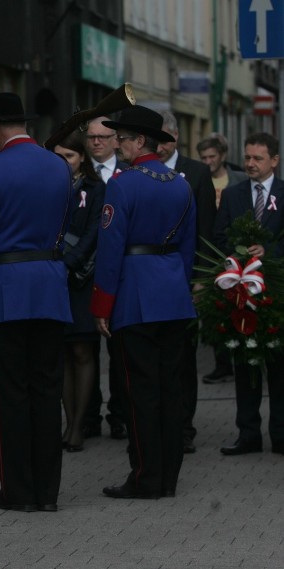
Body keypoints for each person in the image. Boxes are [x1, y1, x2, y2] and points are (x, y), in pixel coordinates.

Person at [0, 92, 72, 512]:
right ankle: (48, 494)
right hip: (49, 285)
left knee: (9, 395)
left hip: (5, 290)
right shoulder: (59, 166)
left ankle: (18, 491)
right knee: (46, 392)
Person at [91, 106, 196, 499]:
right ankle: (168, 476)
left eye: (122, 138)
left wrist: (102, 305)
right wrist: (179, 289)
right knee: (171, 390)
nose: (117, 144)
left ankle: (145, 477)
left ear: (139, 142)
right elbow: (188, 249)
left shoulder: (123, 183)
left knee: (140, 392)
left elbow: (110, 247)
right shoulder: (180, 183)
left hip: (134, 294)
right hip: (172, 294)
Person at [213, 132, 284, 457]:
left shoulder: (283, 194)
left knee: (279, 367)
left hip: (276, 293)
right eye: (248, 157)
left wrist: (267, 251)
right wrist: (238, 253)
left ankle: (280, 434)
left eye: (258, 158)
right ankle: (248, 433)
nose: (251, 163)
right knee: (245, 364)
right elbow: (219, 235)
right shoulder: (233, 194)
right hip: (240, 293)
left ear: (274, 160)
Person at [157, 110, 218, 455]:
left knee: (184, 357)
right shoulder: (145, 171)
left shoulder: (196, 173)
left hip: (186, 279)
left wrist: (202, 280)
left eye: (165, 139)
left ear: (176, 138)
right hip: (155, 279)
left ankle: (184, 427)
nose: (160, 146)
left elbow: (205, 229)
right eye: (156, 140)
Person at [52, 132, 105, 453]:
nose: (63, 163)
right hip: (52, 279)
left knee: (83, 352)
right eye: (57, 157)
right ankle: (68, 421)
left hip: (82, 280)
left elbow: (95, 231)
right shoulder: (44, 186)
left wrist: (68, 263)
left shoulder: (96, 188)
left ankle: (78, 426)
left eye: (69, 157)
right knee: (60, 354)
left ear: (81, 158)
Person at [83, 116, 130, 441]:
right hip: (81, 277)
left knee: (119, 353)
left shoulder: (127, 175)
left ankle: (119, 415)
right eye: (91, 137)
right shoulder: (75, 175)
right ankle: (86, 416)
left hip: (118, 276)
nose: (96, 142)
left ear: (117, 140)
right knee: (83, 350)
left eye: (103, 136)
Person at [197, 134, 248, 385]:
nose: (208, 162)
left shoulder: (238, 179)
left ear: (222, 156)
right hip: (209, 251)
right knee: (214, 310)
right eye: (203, 158)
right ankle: (222, 363)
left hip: (235, 251)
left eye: (212, 157)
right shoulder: (197, 179)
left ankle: (244, 355)